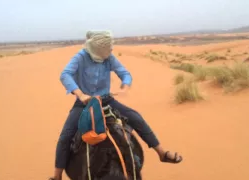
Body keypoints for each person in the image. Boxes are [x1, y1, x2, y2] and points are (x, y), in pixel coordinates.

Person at [50, 30, 182, 180]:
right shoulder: (81, 57)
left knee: (136, 118)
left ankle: (162, 153)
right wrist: (80, 94)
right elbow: (65, 75)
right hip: (84, 104)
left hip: (107, 100)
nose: (110, 52)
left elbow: (125, 73)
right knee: (65, 137)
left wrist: (125, 86)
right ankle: (57, 175)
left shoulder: (109, 58)